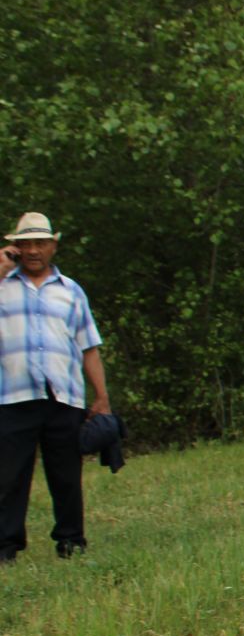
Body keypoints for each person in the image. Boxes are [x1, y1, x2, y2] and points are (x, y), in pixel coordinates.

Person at [1, 213, 110, 562]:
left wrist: (102, 397)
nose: (33, 250)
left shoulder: (71, 291)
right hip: (12, 397)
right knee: (9, 477)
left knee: (65, 475)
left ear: (53, 246)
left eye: (40, 243)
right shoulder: (2, 285)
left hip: (63, 397)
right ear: (15, 247)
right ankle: (6, 547)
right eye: (25, 244)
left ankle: (71, 541)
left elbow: (88, 347)